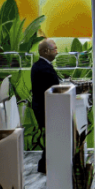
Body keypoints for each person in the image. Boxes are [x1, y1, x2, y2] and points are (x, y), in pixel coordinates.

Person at [30, 38, 60, 174]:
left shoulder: (41, 65)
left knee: (51, 136)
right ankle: (45, 165)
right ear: (46, 51)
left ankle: (45, 164)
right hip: (45, 108)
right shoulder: (43, 68)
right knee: (51, 135)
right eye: (55, 49)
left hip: (44, 107)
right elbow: (53, 87)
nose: (57, 52)